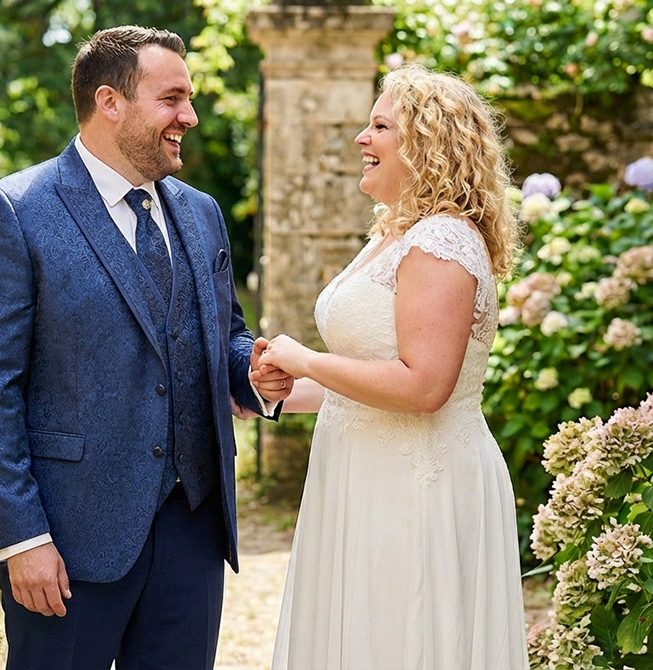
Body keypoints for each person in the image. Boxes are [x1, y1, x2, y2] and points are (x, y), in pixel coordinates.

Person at [0, 25, 292, 670]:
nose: (189, 116)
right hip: (67, 539)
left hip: (192, 531)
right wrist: (22, 536)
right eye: (172, 99)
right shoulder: (15, 210)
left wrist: (252, 374)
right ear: (110, 102)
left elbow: (223, 337)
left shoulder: (201, 213)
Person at [257, 65, 530, 669]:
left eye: (380, 126)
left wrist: (308, 358)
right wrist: (276, 391)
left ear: (427, 145)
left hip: (417, 484)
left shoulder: (443, 240)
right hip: (363, 475)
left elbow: (425, 385)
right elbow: (364, 382)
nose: (361, 137)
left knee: (405, 637)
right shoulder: (393, 235)